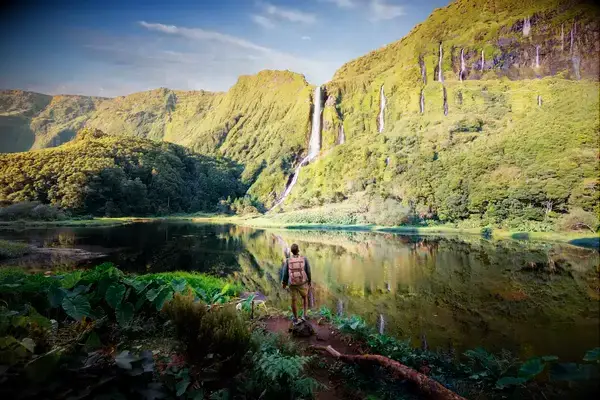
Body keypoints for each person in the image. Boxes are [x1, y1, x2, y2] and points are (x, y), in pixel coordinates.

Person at [281, 243, 311, 324]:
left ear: (291, 251)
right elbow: (308, 271)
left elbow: (285, 274)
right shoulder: (304, 259)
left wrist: (284, 283)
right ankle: (305, 315)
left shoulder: (288, 260)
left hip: (292, 283)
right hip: (302, 282)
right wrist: (309, 281)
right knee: (305, 297)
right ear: (298, 250)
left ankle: (295, 318)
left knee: (293, 300)